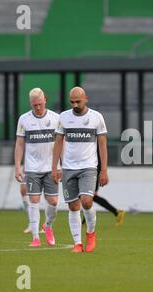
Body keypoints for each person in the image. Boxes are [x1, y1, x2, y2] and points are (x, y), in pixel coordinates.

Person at [52, 87, 108, 253]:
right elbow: (58, 142)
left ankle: (90, 233)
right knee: (73, 206)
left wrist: (103, 170)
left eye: (78, 101)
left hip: (89, 167)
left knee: (86, 201)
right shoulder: (63, 117)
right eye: (72, 102)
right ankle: (77, 243)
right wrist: (54, 167)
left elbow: (102, 144)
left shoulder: (96, 117)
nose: (75, 104)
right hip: (68, 168)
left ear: (86, 99)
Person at [14, 88, 60, 247]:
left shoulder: (56, 118)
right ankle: (35, 238)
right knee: (33, 199)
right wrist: (18, 167)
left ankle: (47, 226)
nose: (38, 108)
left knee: (53, 202)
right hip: (32, 168)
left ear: (45, 100)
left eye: (40, 104)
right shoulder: (24, 119)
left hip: (51, 167)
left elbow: (62, 143)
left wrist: (60, 165)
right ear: (30, 104)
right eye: (34, 105)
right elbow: (19, 144)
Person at [82, 143, 126, 227]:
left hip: (93, 170)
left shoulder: (95, 142)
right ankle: (85, 221)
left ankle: (116, 212)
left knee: (88, 195)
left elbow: (99, 155)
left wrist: (101, 171)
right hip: (92, 169)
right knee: (88, 196)